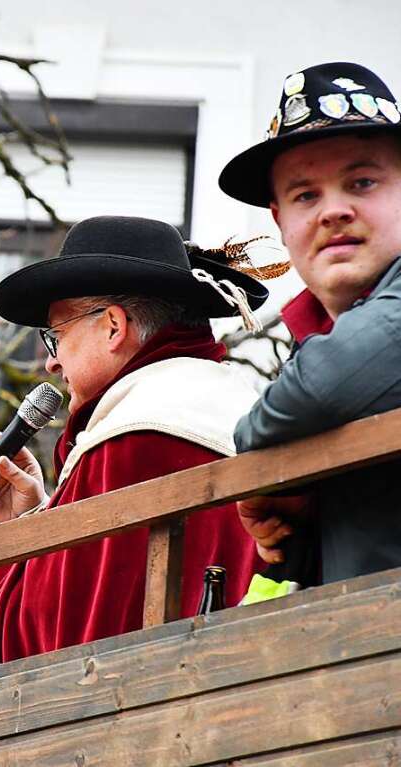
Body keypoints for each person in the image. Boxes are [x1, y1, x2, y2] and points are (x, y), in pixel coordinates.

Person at [0, 215, 270, 678]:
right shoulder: (222, 404)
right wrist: (31, 523)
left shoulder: (136, 439)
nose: (51, 361)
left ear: (112, 327)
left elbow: (53, 643)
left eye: (57, 334)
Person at [220, 61, 401, 583]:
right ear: (278, 220)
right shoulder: (311, 338)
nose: (333, 211)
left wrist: (257, 449)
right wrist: (296, 510)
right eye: (306, 195)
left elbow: (321, 387)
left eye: (362, 182)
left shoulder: (330, 357)